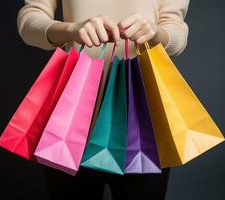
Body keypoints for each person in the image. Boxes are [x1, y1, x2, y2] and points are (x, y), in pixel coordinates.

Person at [17, 0, 189, 199]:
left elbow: (176, 31)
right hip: (71, 117)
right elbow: (30, 19)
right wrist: (70, 30)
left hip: (141, 118)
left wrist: (156, 32)